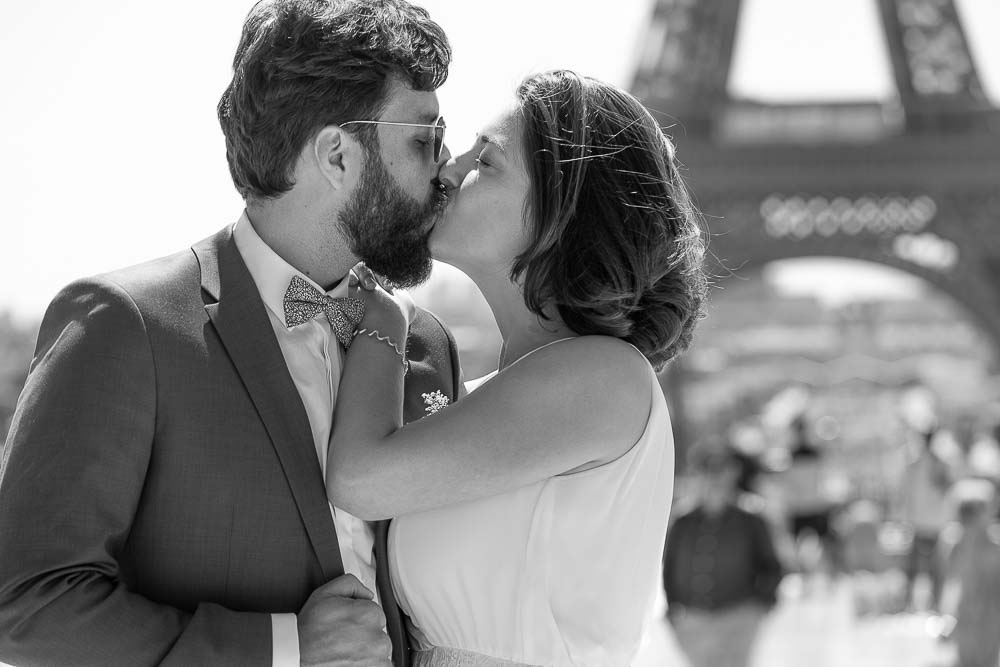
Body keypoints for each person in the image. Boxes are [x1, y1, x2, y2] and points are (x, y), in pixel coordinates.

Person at [0, 1, 457, 665]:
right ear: (337, 154)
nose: (444, 171)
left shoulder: (427, 345)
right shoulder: (125, 326)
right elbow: (27, 601)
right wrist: (282, 648)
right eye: (425, 141)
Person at [324, 70, 708, 666]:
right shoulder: (481, 396)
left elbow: (359, 479)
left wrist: (382, 316)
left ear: (567, 210)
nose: (447, 171)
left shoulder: (604, 378)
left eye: (489, 161)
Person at [662, 446, 784, 667]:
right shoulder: (682, 520)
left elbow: (772, 566)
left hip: (738, 615)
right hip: (692, 620)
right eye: (707, 470)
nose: (714, 477)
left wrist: (758, 607)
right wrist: (673, 612)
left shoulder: (751, 517)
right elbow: (669, 567)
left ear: (733, 473)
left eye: (720, 469)